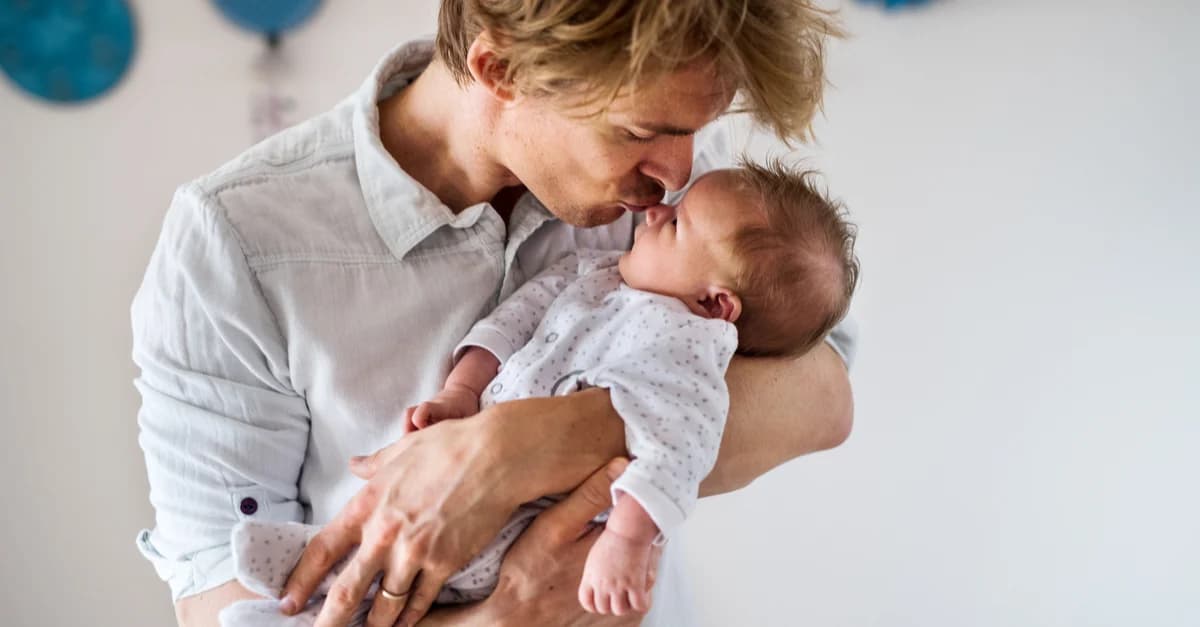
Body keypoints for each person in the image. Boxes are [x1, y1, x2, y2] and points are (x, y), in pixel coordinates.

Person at [132, 2, 857, 626]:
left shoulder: (683, 200)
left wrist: (523, 445)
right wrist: (501, 616)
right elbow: (217, 602)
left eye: (695, 129)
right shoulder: (236, 242)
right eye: (637, 132)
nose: (676, 172)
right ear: (500, 70)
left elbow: (824, 399)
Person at [218, 164, 859, 624]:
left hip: (539, 518)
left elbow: (677, 448)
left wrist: (627, 541)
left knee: (443, 571)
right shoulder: (597, 274)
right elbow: (513, 323)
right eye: (638, 132)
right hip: (481, 488)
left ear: (715, 301)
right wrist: (462, 393)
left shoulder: (691, 348)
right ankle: (309, 587)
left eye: (678, 221)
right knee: (397, 557)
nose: (660, 200)